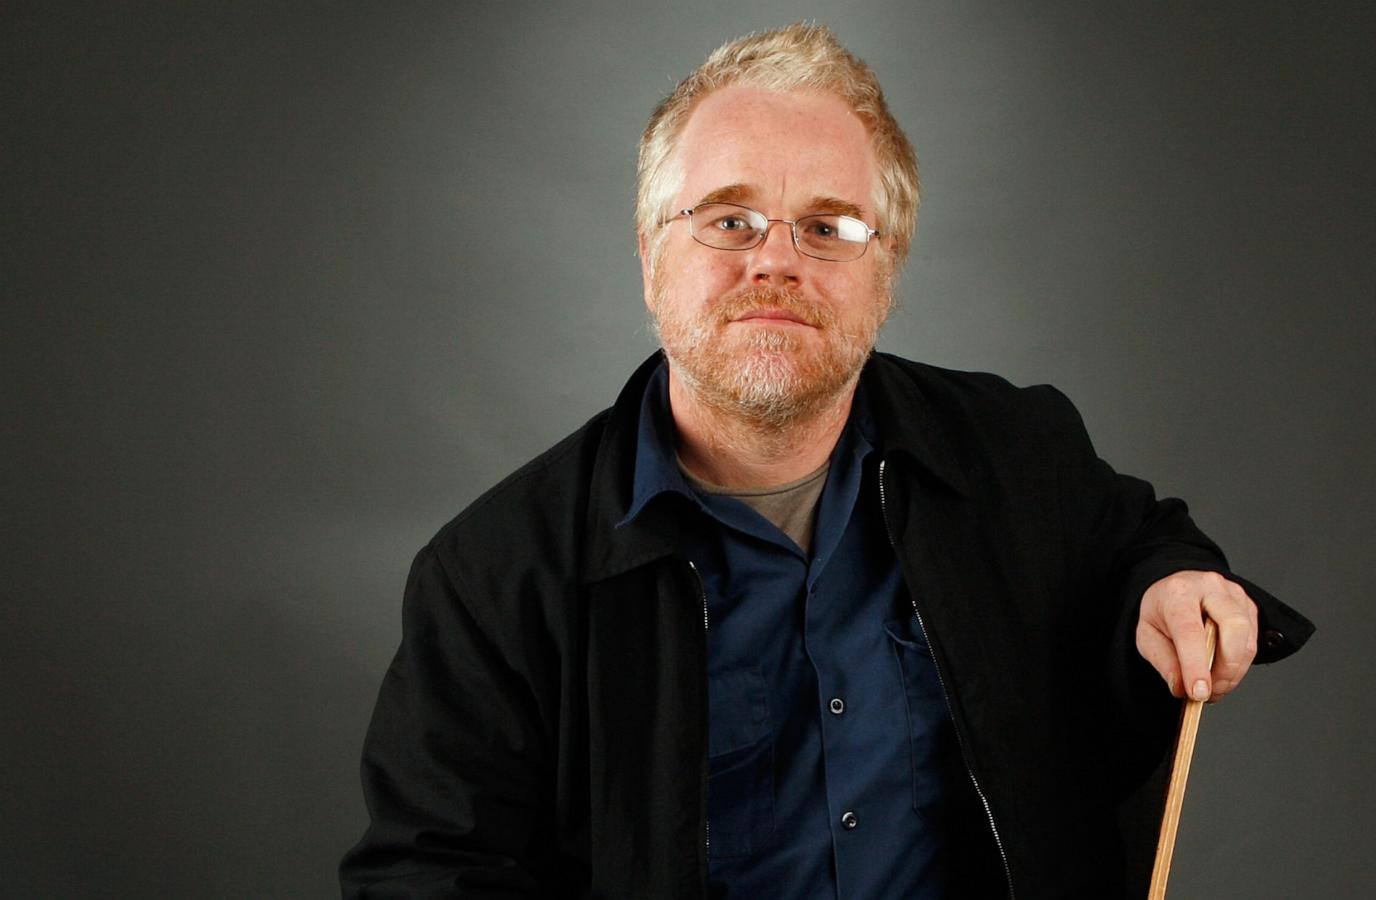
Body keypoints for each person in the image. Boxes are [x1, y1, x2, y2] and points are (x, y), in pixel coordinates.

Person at [340, 22, 1313, 899]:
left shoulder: (1018, 448)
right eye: (727, 219)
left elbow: (1140, 543)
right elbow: (430, 876)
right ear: (648, 255)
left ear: (884, 268)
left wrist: (1172, 582)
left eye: (829, 226)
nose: (775, 261)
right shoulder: (493, 578)